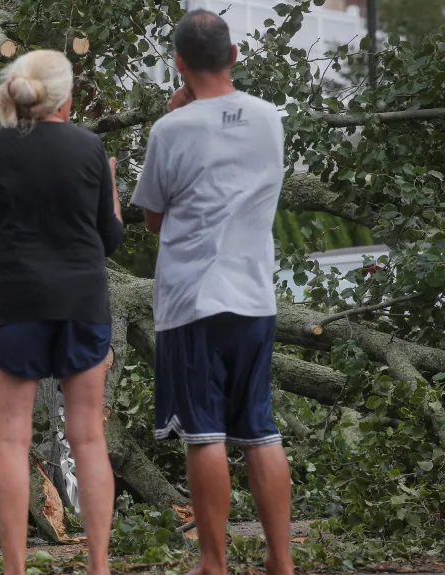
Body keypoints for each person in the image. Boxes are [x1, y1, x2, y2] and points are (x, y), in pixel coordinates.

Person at [0, 49, 124, 575]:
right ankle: (99, 567)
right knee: (88, 437)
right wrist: (109, 190)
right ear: (65, 98)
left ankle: (15, 569)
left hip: (13, 304)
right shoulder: (90, 148)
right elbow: (109, 239)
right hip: (81, 304)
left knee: (9, 440)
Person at [130, 9, 294, 575]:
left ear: (178, 63)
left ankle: (214, 563)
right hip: (254, 296)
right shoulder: (270, 117)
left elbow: (153, 219)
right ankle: (281, 561)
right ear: (235, 55)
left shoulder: (170, 130)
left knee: (204, 434)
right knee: (259, 429)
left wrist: (177, 111)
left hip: (191, 299)